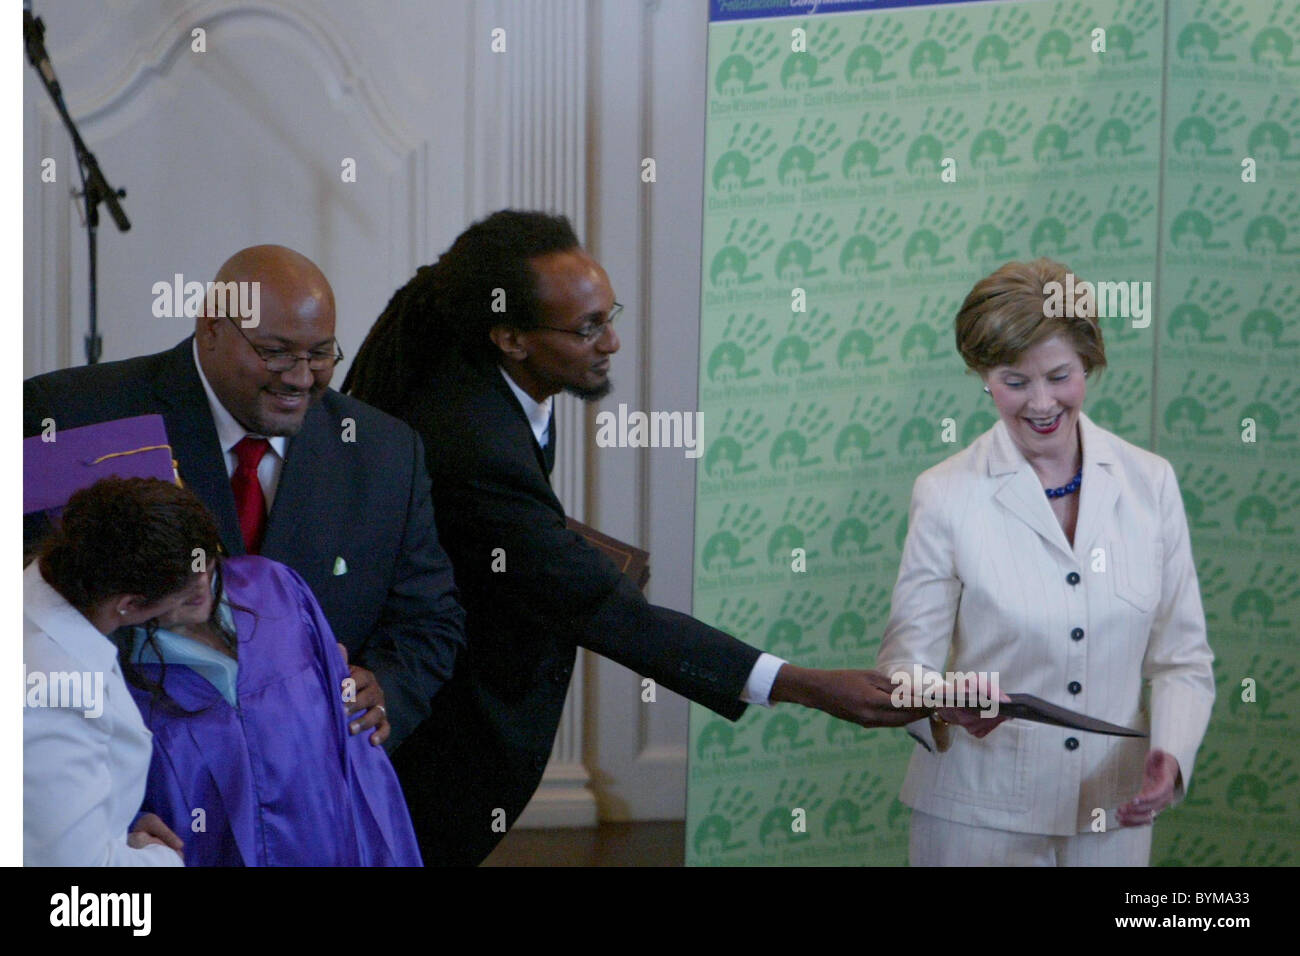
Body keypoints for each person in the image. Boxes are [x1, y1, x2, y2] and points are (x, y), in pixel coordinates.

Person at [343, 209, 935, 866]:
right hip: (438, 735)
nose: (614, 342)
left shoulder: (490, 374)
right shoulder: (473, 438)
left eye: (610, 314)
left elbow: (490, 529)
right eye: (589, 327)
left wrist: (549, 544)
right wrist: (803, 685)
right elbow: (603, 609)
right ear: (511, 337)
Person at [24, 245, 465, 751]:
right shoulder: (71, 415)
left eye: (320, 353)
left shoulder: (384, 453)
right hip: (119, 772)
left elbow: (428, 618)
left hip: (305, 784)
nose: (301, 377)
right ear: (210, 327)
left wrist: (387, 687)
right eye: (275, 352)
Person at [876, 258, 1215, 866]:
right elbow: (902, 669)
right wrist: (937, 698)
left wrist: (1171, 754)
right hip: (977, 819)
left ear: (1088, 362)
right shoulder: (945, 493)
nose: (1040, 403)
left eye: (1059, 375)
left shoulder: (1151, 484)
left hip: (1115, 816)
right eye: (1013, 381)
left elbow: (1182, 659)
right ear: (983, 376)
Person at [88, 477, 420, 866]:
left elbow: (357, 755)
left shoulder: (275, 587)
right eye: (172, 579)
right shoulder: (109, 674)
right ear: (128, 597)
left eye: (202, 563)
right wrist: (122, 828)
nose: (198, 584)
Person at [25, 480, 197, 866]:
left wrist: (113, 822)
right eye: (185, 592)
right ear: (131, 604)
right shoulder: (59, 694)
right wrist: (161, 858)